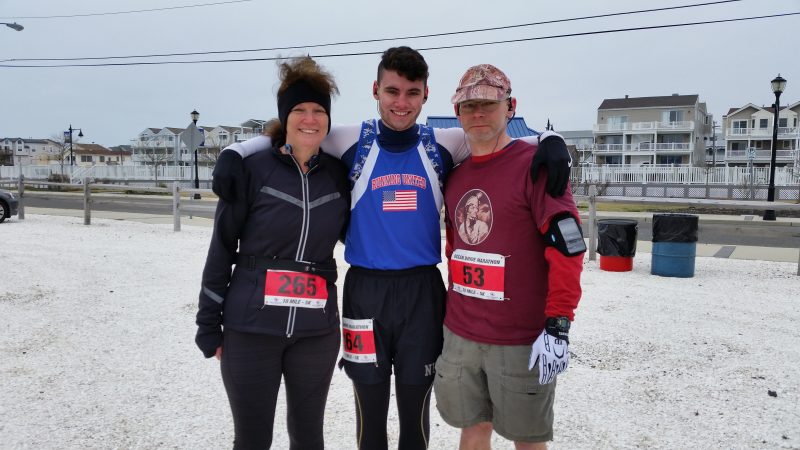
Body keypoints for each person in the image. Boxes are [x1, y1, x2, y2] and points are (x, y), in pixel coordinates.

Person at [212, 47, 573, 450]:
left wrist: (551, 138)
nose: (402, 103)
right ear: (376, 90)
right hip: (364, 294)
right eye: (392, 91)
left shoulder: (446, 142)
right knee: (369, 415)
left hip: (422, 294)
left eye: (412, 93)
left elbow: (503, 137)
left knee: (415, 421)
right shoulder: (349, 139)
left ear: (425, 95)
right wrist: (235, 150)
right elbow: (295, 131)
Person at [194, 56, 350, 449]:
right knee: (252, 437)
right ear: (285, 116)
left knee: (309, 435)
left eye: (318, 110)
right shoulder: (253, 169)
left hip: (316, 331)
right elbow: (222, 247)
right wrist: (208, 321)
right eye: (300, 110)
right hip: (251, 328)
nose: (310, 119)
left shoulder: (338, 174)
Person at [434, 64, 585, 450]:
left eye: (488, 103)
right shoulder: (456, 174)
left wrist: (559, 322)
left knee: (528, 439)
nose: (478, 114)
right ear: (458, 113)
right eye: (469, 107)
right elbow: (457, 247)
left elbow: (567, 246)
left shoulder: (537, 168)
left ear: (510, 107)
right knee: (472, 429)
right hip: (462, 332)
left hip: (520, 339)